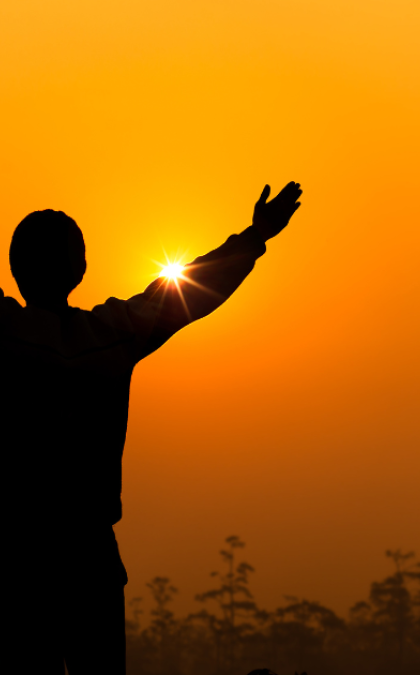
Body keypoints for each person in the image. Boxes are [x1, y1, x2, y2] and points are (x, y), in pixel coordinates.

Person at [1, 181, 302, 674]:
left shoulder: (7, 333)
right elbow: (191, 289)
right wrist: (255, 235)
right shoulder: (113, 334)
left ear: (15, 272)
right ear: (79, 270)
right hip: (87, 556)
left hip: (16, 556)